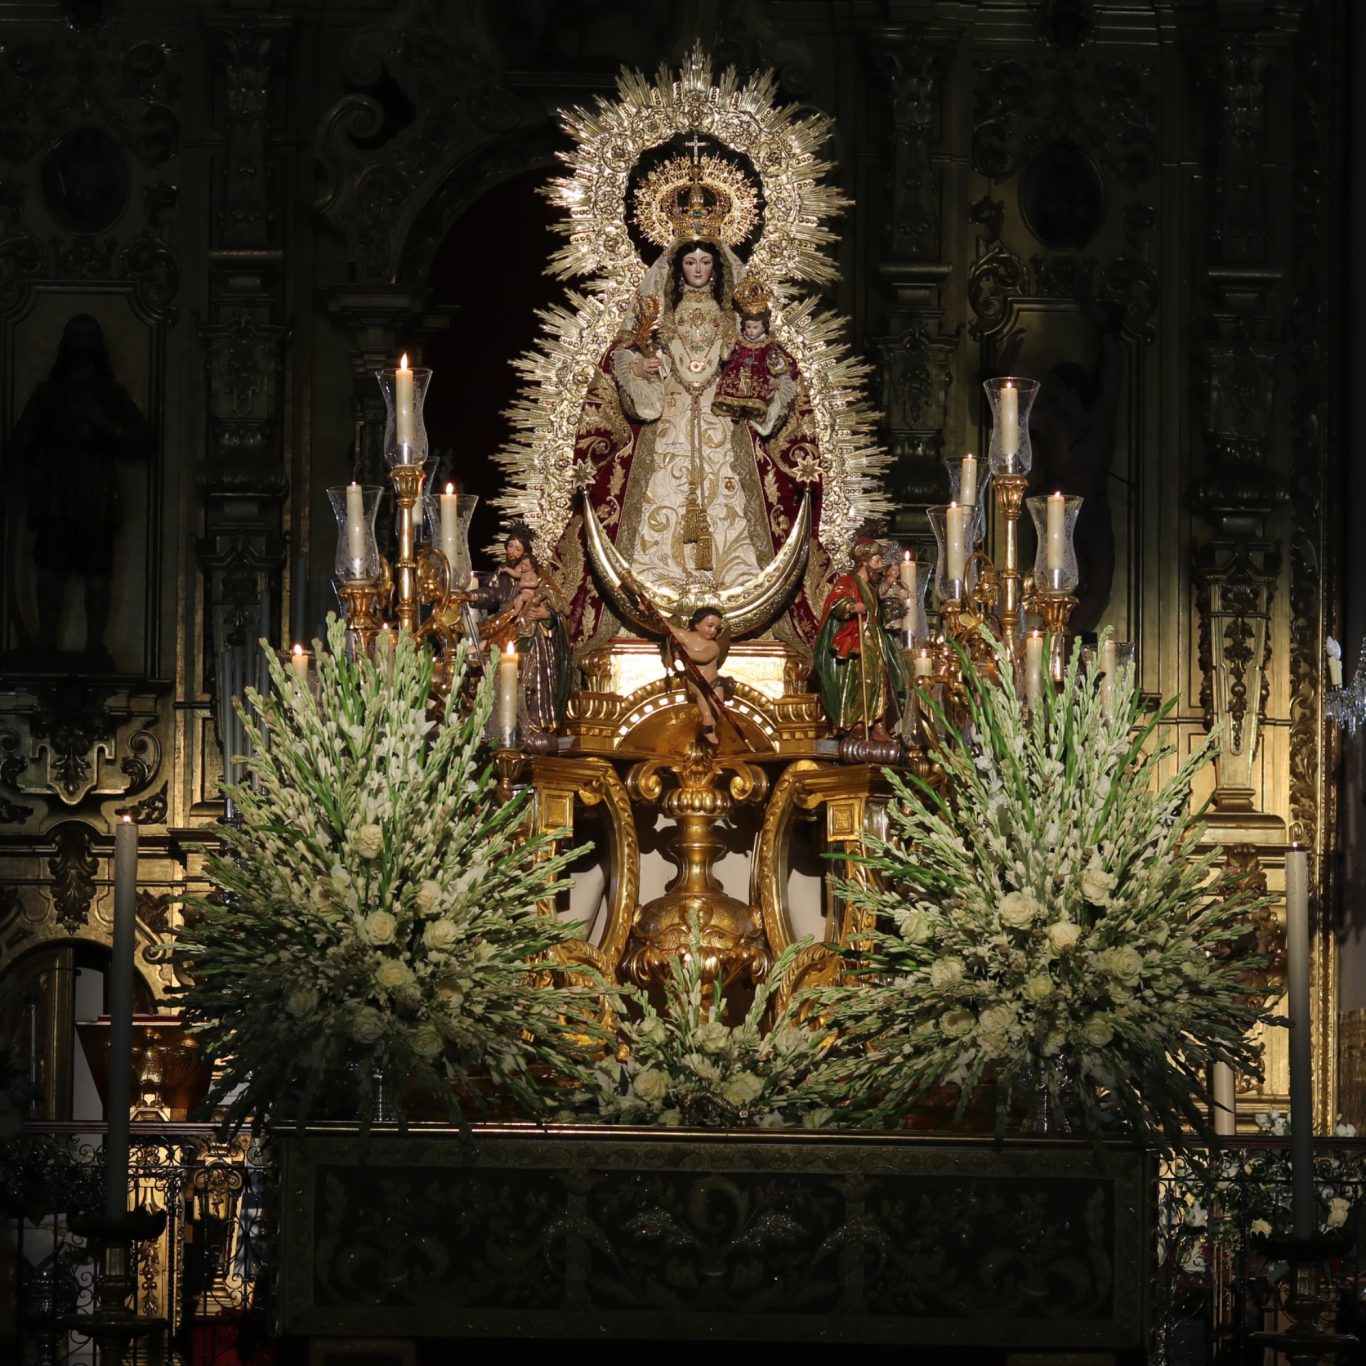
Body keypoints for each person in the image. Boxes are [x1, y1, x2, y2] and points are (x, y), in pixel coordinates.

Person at [564, 228, 819, 652]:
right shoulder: (659, 316)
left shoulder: (733, 318)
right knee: (661, 497)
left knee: (731, 505)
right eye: (689, 262)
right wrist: (641, 367)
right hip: (670, 419)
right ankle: (653, 606)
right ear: (677, 268)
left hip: (723, 421)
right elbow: (627, 355)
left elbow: (762, 357)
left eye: (704, 262)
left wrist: (765, 379)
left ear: (716, 269)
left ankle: (735, 599)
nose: (697, 269)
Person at [5, 313, 153, 661]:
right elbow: (23, 443)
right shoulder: (48, 394)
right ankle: (46, 638)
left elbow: (143, 442)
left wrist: (105, 423)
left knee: (98, 573)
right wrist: (16, 477)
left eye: (89, 337)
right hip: (56, 489)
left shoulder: (110, 395)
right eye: (77, 336)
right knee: (49, 569)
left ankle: (94, 644)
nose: (83, 345)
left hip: (96, 490)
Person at [472, 526, 571, 733]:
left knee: (531, 674)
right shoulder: (502, 573)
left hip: (531, 633)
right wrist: (473, 596)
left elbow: (558, 604)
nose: (512, 552)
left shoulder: (539, 575)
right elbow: (491, 594)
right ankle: (499, 724)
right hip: (506, 624)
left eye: (518, 549)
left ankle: (534, 722)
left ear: (526, 553)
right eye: (510, 546)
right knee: (497, 672)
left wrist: (546, 613)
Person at [815, 539, 910, 740]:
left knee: (880, 681)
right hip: (858, 638)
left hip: (875, 639)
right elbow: (836, 600)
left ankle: (878, 724)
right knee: (861, 680)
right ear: (864, 561)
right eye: (876, 561)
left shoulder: (872, 588)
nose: (880, 566)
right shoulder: (848, 582)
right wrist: (851, 606)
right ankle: (857, 722)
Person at [662, 605, 731, 746]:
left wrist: (685, 654)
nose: (713, 631)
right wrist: (649, 609)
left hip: (713, 682)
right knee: (702, 697)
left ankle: (710, 726)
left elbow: (704, 657)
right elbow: (668, 628)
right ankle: (707, 720)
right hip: (696, 682)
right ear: (696, 624)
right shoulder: (686, 637)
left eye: (716, 628)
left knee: (717, 707)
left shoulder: (713, 646)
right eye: (710, 625)